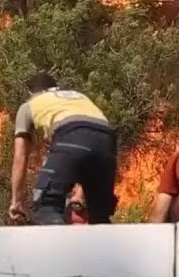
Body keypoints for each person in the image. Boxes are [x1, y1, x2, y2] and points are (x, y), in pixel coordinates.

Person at [8, 72, 118, 225]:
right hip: (108, 140)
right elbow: (90, 138)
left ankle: (61, 247)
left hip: (71, 134)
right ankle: (104, 248)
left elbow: (21, 155)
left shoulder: (29, 105)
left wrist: (16, 200)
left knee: (46, 205)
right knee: (99, 215)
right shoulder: (78, 96)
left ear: (31, 93)